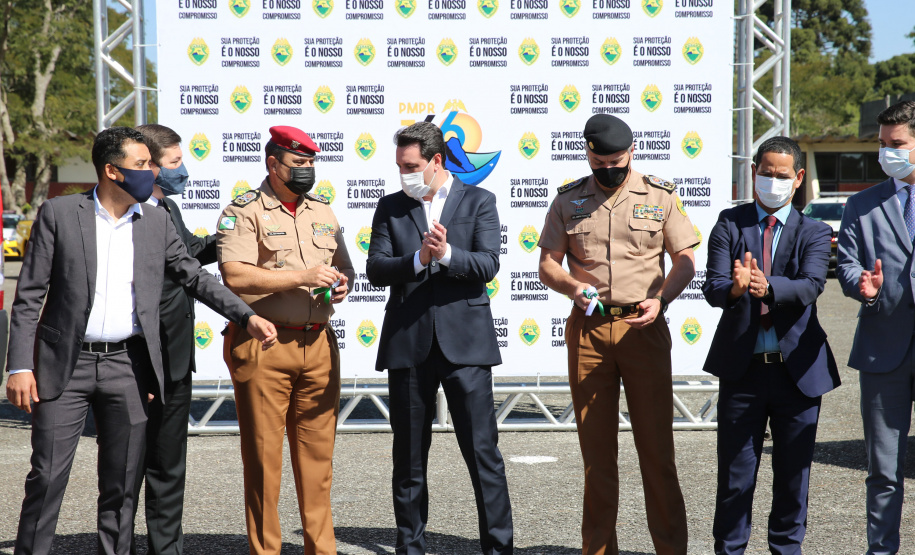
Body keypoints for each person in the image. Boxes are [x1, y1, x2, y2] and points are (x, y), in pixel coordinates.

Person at [4, 126, 276, 555]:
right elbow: (29, 296)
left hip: (128, 366)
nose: (152, 172)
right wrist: (20, 366)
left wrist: (247, 315)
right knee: (48, 477)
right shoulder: (59, 213)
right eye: (143, 164)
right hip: (64, 366)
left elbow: (194, 276)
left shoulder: (156, 222)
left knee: (122, 485)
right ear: (112, 171)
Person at [537, 114, 695, 555]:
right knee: (597, 457)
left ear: (632, 152)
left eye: (618, 159)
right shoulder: (568, 200)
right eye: (600, 160)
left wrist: (662, 299)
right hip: (589, 330)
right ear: (587, 154)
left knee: (657, 453)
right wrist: (571, 286)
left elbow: (684, 260)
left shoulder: (660, 195)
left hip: (643, 329)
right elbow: (548, 262)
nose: (609, 167)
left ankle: (670, 549)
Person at [366, 122, 513, 555]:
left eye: (411, 166)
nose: (403, 175)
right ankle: (410, 547)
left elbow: (488, 264)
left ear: (436, 162)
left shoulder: (479, 201)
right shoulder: (390, 207)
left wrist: (446, 255)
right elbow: (376, 269)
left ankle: (499, 548)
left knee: (483, 454)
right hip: (408, 344)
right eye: (399, 166)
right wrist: (417, 258)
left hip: (465, 345)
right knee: (408, 458)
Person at [217, 125, 354, 555]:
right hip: (264, 345)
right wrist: (302, 277)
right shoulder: (244, 211)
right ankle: (267, 550)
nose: (306, 171)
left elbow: (342, 267)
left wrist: (340, 286)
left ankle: (322, 549)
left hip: (318, 346)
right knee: (263, 461)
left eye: (312, 164)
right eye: (298, 164)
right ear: (273, 164)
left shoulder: (323, 211)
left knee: (318, 462)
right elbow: (234, 274)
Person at [702, 136, 840, 554]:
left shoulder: (813, 230)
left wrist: (765, 288)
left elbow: (811, 285)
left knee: (793, 478)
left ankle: (786, 550)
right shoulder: (730, 223)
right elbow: (714, 287)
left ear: (798, 178)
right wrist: (735, 288)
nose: (772, 181)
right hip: (743, 372)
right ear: (753, 172)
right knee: (735, 478)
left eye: (782, 175)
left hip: (796, 373)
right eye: (766, 173)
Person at [130, 123, 216, 555]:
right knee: (128, 465)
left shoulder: (167, 205)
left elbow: (190, 253)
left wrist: (229, 234)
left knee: (169, 462)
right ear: (146, 165)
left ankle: (166, 548)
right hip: (138, 357)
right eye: (175, 163)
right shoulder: (127, 213)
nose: (184, 171)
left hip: (178, 354)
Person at [837, 100, 915, 555]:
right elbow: (847, 262)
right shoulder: (862, 204)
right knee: (883, 469)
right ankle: (881, 550)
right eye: (882, 144)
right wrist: (861, 286)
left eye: (897, 144)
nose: (887, 152)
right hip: (883, 348)